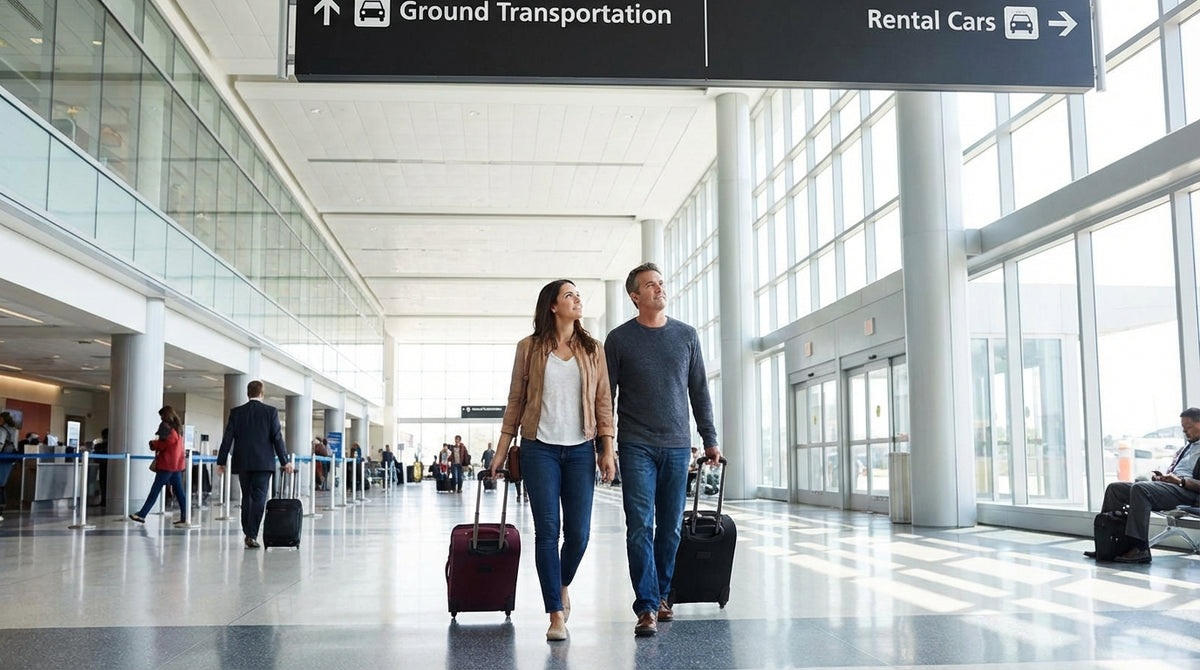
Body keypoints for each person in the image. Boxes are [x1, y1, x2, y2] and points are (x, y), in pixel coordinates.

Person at [490, 279, 617, 642]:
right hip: (538, 448)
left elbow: (603, 402)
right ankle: (555, 615)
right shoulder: (529, 348)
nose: (577, 300)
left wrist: (607, 449)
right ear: (553, 306)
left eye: (578, 295)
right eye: (569, 295)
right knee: (547, 532)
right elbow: (515, 401)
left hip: (581, 449)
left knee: (578, 534)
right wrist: (500, 453)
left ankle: (561, 583)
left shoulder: (593, 349)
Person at [605, 262, 722, 637]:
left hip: (676, 446)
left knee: (670, 528)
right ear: (634, 296)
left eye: (661, 283)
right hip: (635, 444)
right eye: (650, 285)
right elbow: (606, 397)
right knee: (639, 525)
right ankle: (647, 606)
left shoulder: (686, 335)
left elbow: (699, 390)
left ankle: (662, 596)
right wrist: (604, 445)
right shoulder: (619, 339)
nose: (659, 289)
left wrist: (710, 439)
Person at [1087, 407, 1200, 564]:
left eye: (1189, 427)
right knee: (1115, 488)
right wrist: (1163, 478)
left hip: (1189, 492)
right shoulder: (1187, 448)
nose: (1185, 431)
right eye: (1183, 428)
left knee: (1140, 489)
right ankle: (1109, 545)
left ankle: (1139, 549)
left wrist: (1180, 481)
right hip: (1173, 488)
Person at [216, 380, 294, 549]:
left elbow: (227, 438)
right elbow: (277, 438)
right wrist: (285, 461)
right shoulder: (270, 412)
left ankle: (247, 531)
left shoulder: (236, 412)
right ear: (262, 393)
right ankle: (251, 533)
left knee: (247, 497)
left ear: (247, 393)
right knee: (259, 497)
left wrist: (221, 461)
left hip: (243, 463)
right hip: (263, 463)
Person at [129, 406, 189, 526]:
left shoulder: (166, 427)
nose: (161, 418)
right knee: (180, 494)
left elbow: (165, 444)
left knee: (155, 490)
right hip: (177, 466)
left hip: (167, 465)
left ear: (165, 415)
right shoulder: (178, 429)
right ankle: (185, 517)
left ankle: (142, 514)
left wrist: (153, 443)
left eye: (161, 416)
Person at [0, 411, 19, 521]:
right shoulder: (14, 430)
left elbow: (0, 443)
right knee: (2, 485)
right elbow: (15, 445)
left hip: (2, 458)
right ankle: (1, 510)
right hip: (9, 459)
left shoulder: (2, 429)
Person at [93, 428, 109, 507]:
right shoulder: (109, 445)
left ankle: (104, 500)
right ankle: (104, 500)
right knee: (104, 483)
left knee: (103, 483)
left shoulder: (99, 446)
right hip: (106, 466)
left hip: (103, 466)